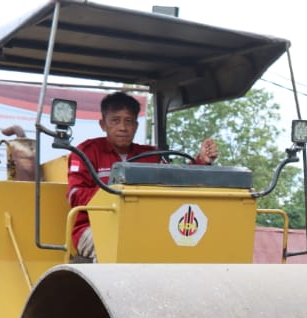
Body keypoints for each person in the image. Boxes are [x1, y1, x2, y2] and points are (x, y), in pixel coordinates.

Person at [67, 91, 219, 259]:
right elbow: (75, 196)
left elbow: (175, 183)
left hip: (145, 227)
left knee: (183, 246)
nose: (122, 128)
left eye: (128, 121)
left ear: (136, 126)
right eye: (115, 121)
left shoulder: (150, 155)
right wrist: (117, 193)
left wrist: (200, 162)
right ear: (103, 124)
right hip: (94, 227)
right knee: (119, 248)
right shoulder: (85, 153)